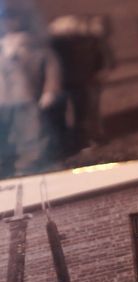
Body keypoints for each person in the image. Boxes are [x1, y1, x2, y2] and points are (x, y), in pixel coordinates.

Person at [0, 7, 62, 177]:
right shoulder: (2, 48)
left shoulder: (35, 47)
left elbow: (52, 69)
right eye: (5, 21)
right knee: (5, 135)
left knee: (31, 133)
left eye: (13, 20)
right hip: (3, 100)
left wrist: (50, 91)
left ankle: (29, 164)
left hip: (26, 97)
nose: (9, 24)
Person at [48, 15, 115, 152]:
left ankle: (82, 141)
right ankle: (74, 142)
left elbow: (99, 58)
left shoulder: (86, 41)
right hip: (70, 83)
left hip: (78, 83)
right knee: (72, 114)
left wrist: (99, 72)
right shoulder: (58, 44)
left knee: (81, 114)